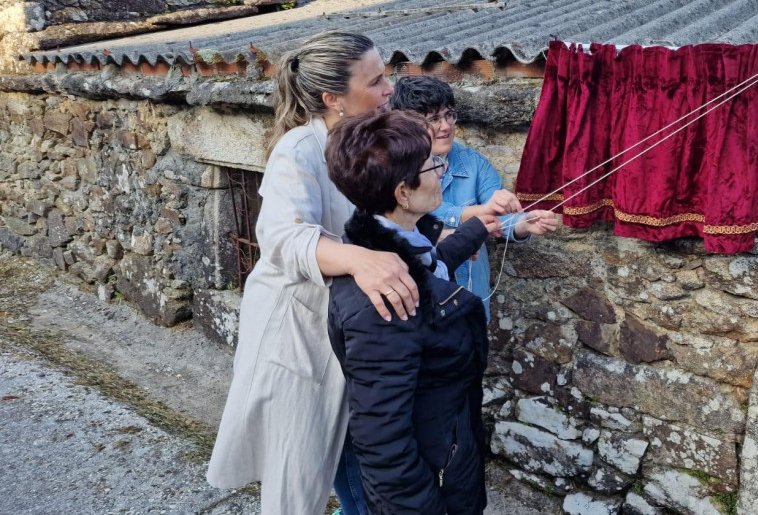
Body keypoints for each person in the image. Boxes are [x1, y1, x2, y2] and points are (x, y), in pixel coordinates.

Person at [206, 31, 413, 515]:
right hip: (297, 335)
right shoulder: (300, 150)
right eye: (377, 80)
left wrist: (467, 223)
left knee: (350, 452)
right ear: (332, 98)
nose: (390, 90)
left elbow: (400, 212)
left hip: (349, 332)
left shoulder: (366, 144)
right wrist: (361, 259)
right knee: (296, 476)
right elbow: (281, 236)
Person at [325, 111, 495, 514]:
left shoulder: (387, 242)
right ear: (403, 193)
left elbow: (427, 265)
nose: (441, 170)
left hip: (446, 446)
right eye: (432, 165)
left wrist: (479, 227)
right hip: (433, 471)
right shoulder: (384, 303)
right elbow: (383, 438)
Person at [389, 76, 559, 318]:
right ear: (407, 125)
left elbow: (503, 220)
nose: (446, 126)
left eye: (449, 115)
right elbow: (421, 219)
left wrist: (524, 223)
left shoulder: (474, 163)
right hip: (418, 301)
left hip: (470, 293)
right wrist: (477, 214)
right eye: (434, 119)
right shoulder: (389, 167)